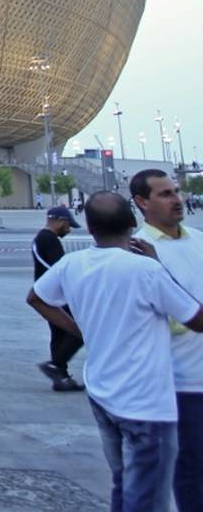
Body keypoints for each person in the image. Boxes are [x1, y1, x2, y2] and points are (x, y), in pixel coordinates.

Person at [29, 191, 203, 512]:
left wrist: (79, 329)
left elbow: (37, 298)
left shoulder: (72, 263)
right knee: (147, 496)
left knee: (123, 483)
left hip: (102, 392)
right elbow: (196, 319)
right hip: (146, 403)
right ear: (132, 223)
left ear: (90, 229)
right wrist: (158, 264)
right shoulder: (145, 270)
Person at [131, 169, 203, 509]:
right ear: (141, 202)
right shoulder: (136, 253)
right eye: (165, 194)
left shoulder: (200, 240)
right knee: (191, 472)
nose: (177, 199)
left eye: (176, 191)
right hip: (183, 383)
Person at [31, 207, 85, 392]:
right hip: (56, 296)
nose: (69, 230)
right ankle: (56, 365)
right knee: (79, 330)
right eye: (69, 225)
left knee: (59, 334)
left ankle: (60, 376)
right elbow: (59, 269)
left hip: (49, 294)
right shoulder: (49, 239)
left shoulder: (43, 238)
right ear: (61, 221)